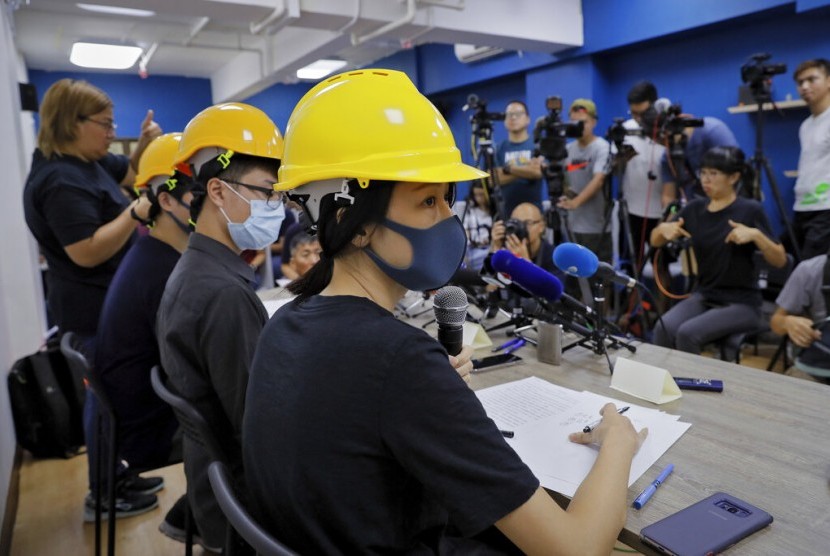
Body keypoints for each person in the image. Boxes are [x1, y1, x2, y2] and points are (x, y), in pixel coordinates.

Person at [243, 68, 647, 555]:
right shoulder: (397, 358)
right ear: (353, 220)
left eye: (447, 199)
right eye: (427, 201)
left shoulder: (287, 321)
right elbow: (575, 549)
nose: (446, 221)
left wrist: (426, 395)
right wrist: (620, 441)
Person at [22, 78, 162, 518]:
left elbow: (133, 174)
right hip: (90, 312)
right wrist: (133, 212)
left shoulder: (89, 160)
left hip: (109, 306)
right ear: (72, 123)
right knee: (105, 402)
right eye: (104, 124)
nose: (109, 131)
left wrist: (140, 146)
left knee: (120, 396)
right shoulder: (60, 179)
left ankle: (123, 473)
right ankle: (103, 493)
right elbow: (85, 251)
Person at [155, 102, 285, 552]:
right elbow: (263, 433)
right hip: (247, 510)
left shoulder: (195, 272)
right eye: (267, 192)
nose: (278, 207)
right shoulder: (224, 296)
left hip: (214, 491)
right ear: (217, 190)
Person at [92, 133, 194, 522]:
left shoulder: (149, 254)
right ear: (165, 200)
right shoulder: (166, 272)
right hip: (153, 429)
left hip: (134, 418)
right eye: (197, 192)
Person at [651, 147, 786, 355]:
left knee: (688, 333)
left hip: (743, 303)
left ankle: (694, 385)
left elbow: (780, 260)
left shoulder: (750, 210)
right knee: (664, 327)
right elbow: (655, 240)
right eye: (703, 173)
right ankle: (662, 383)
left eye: (713, 174)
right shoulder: (695, 209)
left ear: (733, 177)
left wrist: (756, 236)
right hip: (705, 295)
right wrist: (663, 230)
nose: (706, 180)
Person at [559, 98, 612, 263]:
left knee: (599, 278)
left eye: (584, 122)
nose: (579, 126)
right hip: (571, 227)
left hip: (597, 228)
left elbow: (599, 180)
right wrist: (565, 195)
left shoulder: (602, 147)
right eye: (574, 122)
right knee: (573, 280)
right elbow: (563, 179)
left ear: (594, 122)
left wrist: (576, 203)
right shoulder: (567, 150)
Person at [619, 81, 666, 268]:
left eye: (642, 113)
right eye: (634, 113)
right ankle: (632, 298)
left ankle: (664, 298)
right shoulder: (627, 128)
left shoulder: (666, 128)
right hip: (632, 210)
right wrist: (622, 158)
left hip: (661, 212)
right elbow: (615, 169)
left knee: (660, 265)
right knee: (631, 265)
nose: (638, 118)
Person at [769, 253, 830, 384]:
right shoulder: (810, 269)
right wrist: (788, 322)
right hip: (817, 365)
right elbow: (776, 321)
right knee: (797, 382)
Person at [791, 58, 830, 260]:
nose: (805, 86)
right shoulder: (806, 125)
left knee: (812, 274)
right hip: (802, 208)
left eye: (812, 79)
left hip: (825, 210)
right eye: (800, 82)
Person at [658, 112, 738, 207]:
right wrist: (672, 214)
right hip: (694, 209)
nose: (664, 144)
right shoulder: (668, 157)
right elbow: (669, 198)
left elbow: (736, 175)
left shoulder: (713, 131)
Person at [495, 100, 543, 217]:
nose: (513, 118)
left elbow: (537, 172)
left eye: (518, 114)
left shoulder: (537, 144)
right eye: (509, 115)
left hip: (534, 213)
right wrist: (526, 170)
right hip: (507, 213)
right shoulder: (499, 148)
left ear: (528, 119)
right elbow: (494, 179)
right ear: (505, 120)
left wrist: (507, 169)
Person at [456, 180, 494, 271]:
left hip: (487, 249)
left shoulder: (494, 213)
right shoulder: (467, 209)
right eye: (476, 195)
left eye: (481, 195)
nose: (479, 198)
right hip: (469, 250)